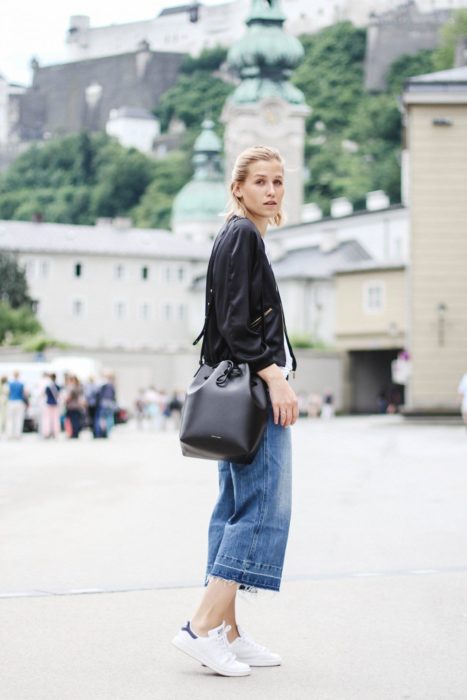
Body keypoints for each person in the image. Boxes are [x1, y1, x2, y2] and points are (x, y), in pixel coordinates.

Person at [172, 146, 299, 677]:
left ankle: (227, 630)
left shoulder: (236, 235)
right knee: (262, 508)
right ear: (238, 188)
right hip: (254, 394)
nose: (271, 191)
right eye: (260, 182)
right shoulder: (244, 235)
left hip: (239, 394)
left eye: (278, 182)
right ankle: (201, 626)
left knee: (232, 508)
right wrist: (274, 375)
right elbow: (237, 320)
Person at [6, 371, 27, 439]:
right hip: (19, 401)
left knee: (10, 419)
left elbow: (7, 393)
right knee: (19, 419)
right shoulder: (21, 384)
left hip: (11, 401)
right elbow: (24, 393)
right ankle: (18, 434)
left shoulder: (10, 384)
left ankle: (10, 434)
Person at [42, 373, 61, 439]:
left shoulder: (48, 386)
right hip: (55, 404)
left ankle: (47, 433)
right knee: (55, 419)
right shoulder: (58, 386)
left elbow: (44, 394)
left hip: (49, 404)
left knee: (47, 419)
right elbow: (59, 395)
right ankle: (55, 433)